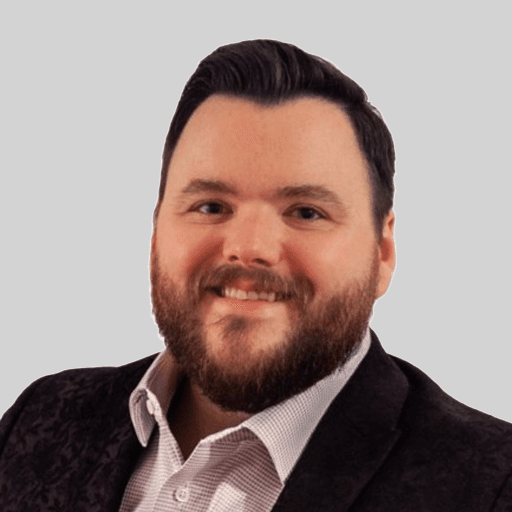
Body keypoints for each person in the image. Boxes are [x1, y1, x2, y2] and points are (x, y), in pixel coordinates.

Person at [0, 39, 511, 512]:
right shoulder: (40, 419)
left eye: (306, 212)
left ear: (382, 252)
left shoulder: (492, 485)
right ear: (156, 232)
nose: (248, 248)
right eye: (211, 205)